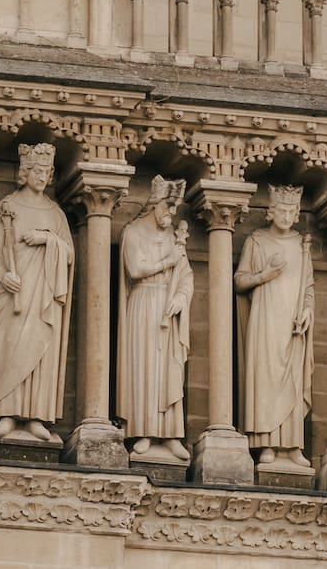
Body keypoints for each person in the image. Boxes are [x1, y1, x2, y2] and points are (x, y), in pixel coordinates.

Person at [0, 142, 73, 443]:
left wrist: (46, 239)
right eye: (36, 171)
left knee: (41, 348)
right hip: (14, 293)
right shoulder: (7, 206)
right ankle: (7, 412)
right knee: (9, 344)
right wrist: (3, 275)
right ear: (25, 172)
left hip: (44, 294)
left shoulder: (55, 213)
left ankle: (36, 415)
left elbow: (69, 255)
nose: (42, 176)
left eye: (46, 172)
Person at [237, 184, 314, 473]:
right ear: (271, 211)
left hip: (292, 322)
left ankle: (292, 445)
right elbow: (239, 280)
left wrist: (307, 310)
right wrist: (264, 275)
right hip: (265, 318)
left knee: (293, 377)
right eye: (281, 210)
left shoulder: (302, 245)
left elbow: (308, 287)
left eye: (291, 211)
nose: (286, 216)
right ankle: (266, 442)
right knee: (266, 376)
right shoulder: (257, 241)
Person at [119, 177, 194, 461]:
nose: (172, 212)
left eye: (175, 207)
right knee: (145, 367)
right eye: (168, 205)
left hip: (167, 306)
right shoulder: (133, 231)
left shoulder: (174, 237)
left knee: (169, 369)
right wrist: (167, 261)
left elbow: (186, 275)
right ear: (154, 203)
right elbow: (135, 269)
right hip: (143, 304)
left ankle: (171, 434)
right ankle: (144, 430)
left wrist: (181, 298)